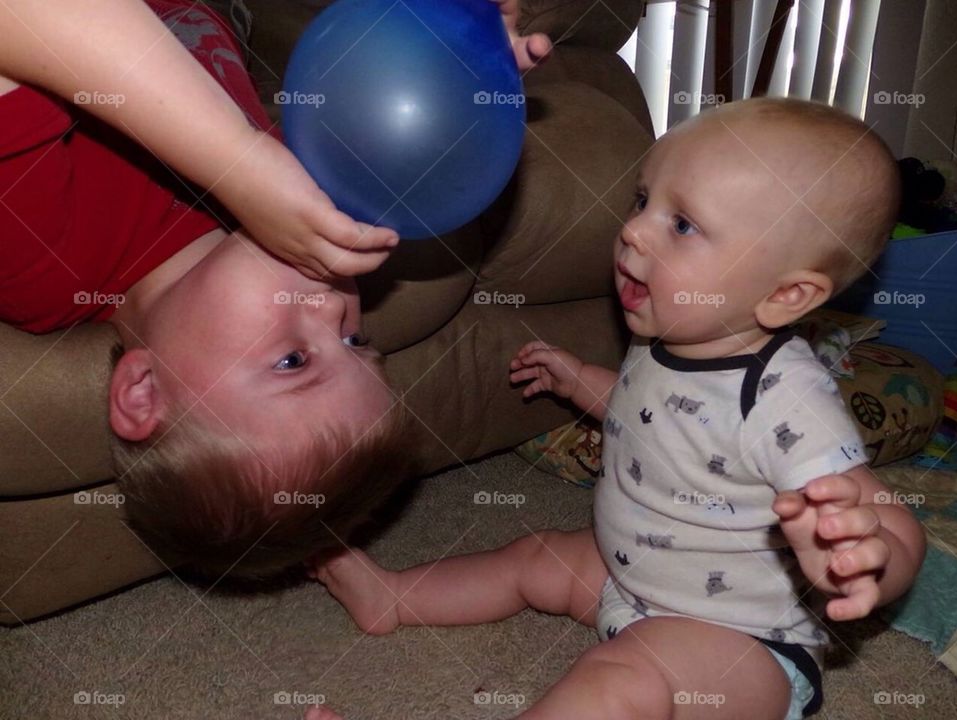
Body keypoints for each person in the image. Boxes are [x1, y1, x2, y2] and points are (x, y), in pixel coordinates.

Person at [308, 98, 926, 719]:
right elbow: (658, 418)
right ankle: (394, 597)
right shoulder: (669, 334)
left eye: (681, 224)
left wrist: (860, 559)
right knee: (534, 558)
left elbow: (887, 518)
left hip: (740, 648)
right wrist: (581, 383)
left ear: (786, 293)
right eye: (642, 200)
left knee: (618, 681)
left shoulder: (784, 395)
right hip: (628, 579)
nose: (634, 229)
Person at [0, 0, 550, 577]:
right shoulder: (306, 200)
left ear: (143, 390)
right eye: (357, 341)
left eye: (293, 360)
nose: (333, 306)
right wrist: (460, 56)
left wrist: (239, 164)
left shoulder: (44, 264)